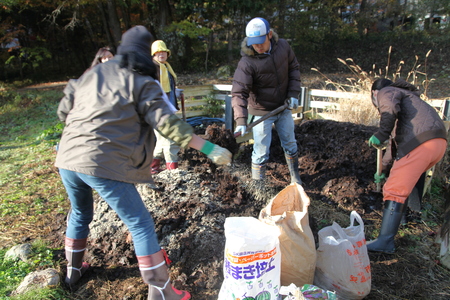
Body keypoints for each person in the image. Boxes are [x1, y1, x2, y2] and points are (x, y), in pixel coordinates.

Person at [55, 25, 231, 299]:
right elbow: (166, 123)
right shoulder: (142, 81)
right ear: (146, 54)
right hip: (101, 162)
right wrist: (208, 147)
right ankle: (161, 291)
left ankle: (73, 271)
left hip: (67, 158)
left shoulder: (95, 72)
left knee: (80, 213)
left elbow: (63, 109)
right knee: (140, 224)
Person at [367, 78, 447, 253]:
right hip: (437, 144)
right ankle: (401, 221)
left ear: (374, 93)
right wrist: (384, 169)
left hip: (421, 143)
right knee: (402, 183)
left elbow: (388, 109)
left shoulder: (386, 92)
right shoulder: (409, 102)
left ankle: (385, 242)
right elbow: (394, 147)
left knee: (394, 189)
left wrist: (381, 133)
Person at [231, 17, 302, 184]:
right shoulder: (247, 63)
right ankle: (259, 187)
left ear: (269, 34)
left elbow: (294, 68)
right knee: (261, 151)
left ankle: (295, 178)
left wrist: (293, 94)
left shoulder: (283, 47)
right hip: (262, 112)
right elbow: (239, 92)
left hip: (283, 107)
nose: (258, 46)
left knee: (290, 143)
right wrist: (241, 120)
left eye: (261, 41)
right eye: (253, 43)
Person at [150, 40, 181, 174]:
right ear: (153, 54)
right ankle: (172, 171)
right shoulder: (153, 68)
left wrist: (176, 91)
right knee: (170, 139)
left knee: (162, 140)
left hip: (168, 107)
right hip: (158, 110)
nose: (161, 54)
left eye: (163, 51)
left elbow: (167, 88)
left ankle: (152, 167)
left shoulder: (166, 67)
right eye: (158, 52)